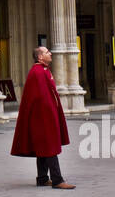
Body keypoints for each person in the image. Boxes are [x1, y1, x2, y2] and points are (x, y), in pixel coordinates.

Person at [11, 46, 74, 188]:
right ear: (40, 57)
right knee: (50, 147)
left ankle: (42, 178)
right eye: (47, 52)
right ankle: (58, 180)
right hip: (43, 118)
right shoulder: (38, 72)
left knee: (43, 148)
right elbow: (40, 99)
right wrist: (50, 116)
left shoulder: (42, 70)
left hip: (46, 116)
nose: (50, 53)